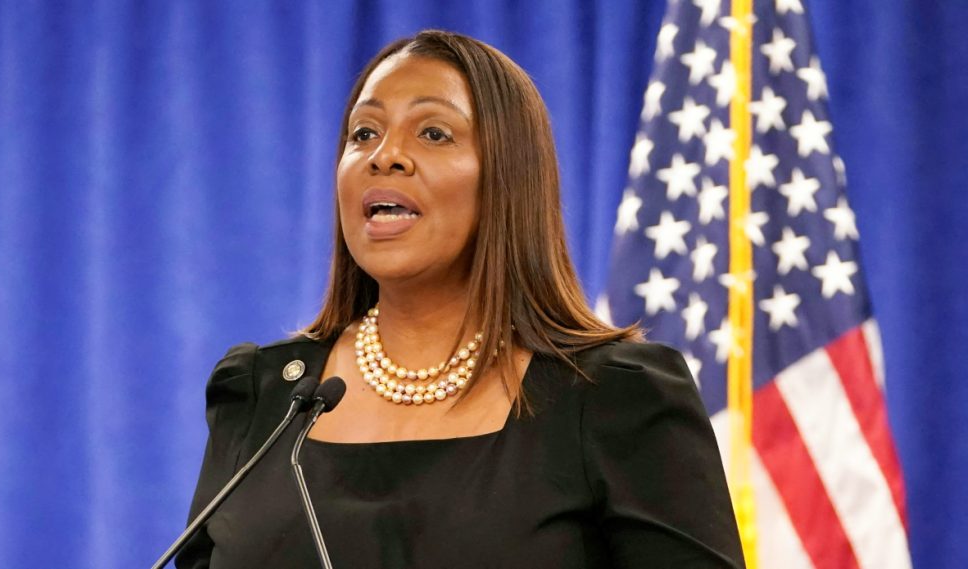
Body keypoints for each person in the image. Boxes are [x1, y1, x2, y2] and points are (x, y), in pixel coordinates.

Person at [177, 29, 745, 568]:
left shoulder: (614, 397)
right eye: (363, 133)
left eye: (433, 133)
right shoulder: (264, 397)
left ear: (509, 177)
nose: (384, 156)